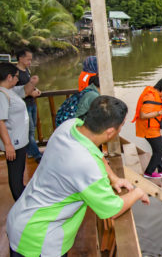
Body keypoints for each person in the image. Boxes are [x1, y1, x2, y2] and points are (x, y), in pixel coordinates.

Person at [7, 95, 150, 257]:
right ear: (110, 132)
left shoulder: (70, 126)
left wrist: (114, 178)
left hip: (22, 216)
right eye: (122, 125)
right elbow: (112, 210)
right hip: (39, 239)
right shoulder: (87, 166)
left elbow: (95, 152)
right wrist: (138, 192)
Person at [0, 63, 39, 201]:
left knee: (19, 172)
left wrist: (32, 82)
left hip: (20, 141)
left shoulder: (9, 91)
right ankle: (20, 202)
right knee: (15, 175)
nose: (18, 79)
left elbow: (25, 90)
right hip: (14, 142)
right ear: (9, 77)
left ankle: (22, 196)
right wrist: (8, 145)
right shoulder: (2, 95)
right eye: (16, 77)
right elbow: (0, 121)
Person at [132, 78, 162, 178]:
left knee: (157, 149)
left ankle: (161, 169)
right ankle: (149, 172)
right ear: (161, 89)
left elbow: (155, 111)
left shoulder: (154, 95)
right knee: (161, 148)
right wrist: (161, 112)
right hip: (147, 128)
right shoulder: (150, 97)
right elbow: (143, 115)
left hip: (153, 127)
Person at [15, 49, 43, 163]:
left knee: (32, 129)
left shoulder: (27, 70)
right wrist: (30, 92)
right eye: (28, 59)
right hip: (23, 106)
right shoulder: (15, 73)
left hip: (32, 103)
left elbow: (29, 86)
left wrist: (36, 90)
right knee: (29, 130)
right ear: (20, 58)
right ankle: (37, 155)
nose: (30, 62)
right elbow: (16, 91)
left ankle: (30, 151)